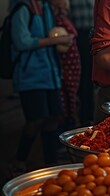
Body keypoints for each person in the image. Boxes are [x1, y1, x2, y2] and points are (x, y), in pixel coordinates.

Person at [11, 0, 74, 173]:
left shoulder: (45, 7)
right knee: (36, 120)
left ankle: (51, 163)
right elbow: (21, 42)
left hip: (50, 75)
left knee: (54, 117)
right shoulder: (22, 8)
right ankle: (19, 160)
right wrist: (55, 40)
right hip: (30, 76)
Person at [52, 0, 81, 130]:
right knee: (65, 96)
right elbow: (60, 45)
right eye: (61, 4)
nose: (64, 6)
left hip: (72, 64)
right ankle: (64, 129)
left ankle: (70, 124)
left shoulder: (64, 18)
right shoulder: (56, 20)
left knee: (72, 95)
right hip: (66, 64)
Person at [68, 0, 95, 126]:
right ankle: (81, 116)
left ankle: (88, 115)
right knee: (82, 77)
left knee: (90, 77)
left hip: (92, 34)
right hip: (77, 36)